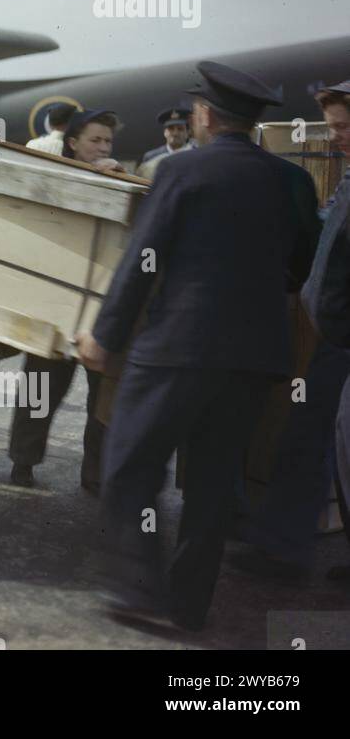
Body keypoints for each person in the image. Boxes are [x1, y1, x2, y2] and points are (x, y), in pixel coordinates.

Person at [76, 61, 320, 632]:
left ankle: (140, 594)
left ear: (205, 116)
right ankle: (186, 609)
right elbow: (300, 267)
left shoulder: (181, 172)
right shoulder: (291, 182)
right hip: (255, 358)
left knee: (131, 468)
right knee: (213, 488)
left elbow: (143, 259)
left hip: (177, 350)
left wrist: (105, 335)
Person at [234, 80, 350, 583]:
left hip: (345, 342)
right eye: (333, 126)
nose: (337, 136)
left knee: (317, 440)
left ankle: (282, 551)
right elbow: (328, 227)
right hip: (335, 337)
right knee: (315, 440)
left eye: (345, 126)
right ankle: (282, 548)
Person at [8, 109, 124, 489]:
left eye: (107, 140)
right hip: (55, 307)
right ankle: (22, 462)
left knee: (101, 399)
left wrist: (116, 182)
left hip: (100, 315)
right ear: (72, 143)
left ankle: (94, 474)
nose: (103, 147)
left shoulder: (121, 180)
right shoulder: (52, 178)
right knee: (40, 389)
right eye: (95, 140)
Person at [136, 106, 195, 179]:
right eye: (171, 128)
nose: (175, 133)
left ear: (188, 132)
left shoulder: (195, 154)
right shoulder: (151, 157)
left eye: (180, 129)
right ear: (165, 132)